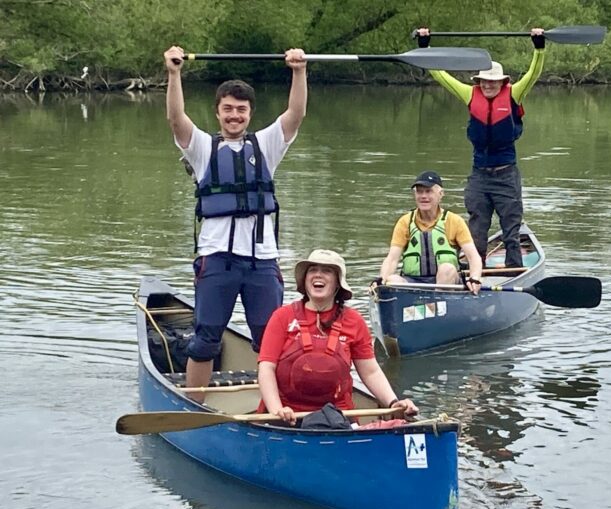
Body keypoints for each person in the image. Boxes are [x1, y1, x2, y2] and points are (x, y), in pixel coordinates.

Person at [163, 45, 307, 402]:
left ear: (249, 114)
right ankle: (194, 404)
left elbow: (295, 114)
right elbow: (176, 118)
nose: (234, 116)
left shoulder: (266, 146)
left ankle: (274, 407)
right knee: (206, 337)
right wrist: (174, 73)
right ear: (218, 112)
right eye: (228, 109)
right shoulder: (201, 149)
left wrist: (299, 71)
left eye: (241, 110)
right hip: (217, 260)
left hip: (261, 261)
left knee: (271, 339)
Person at [415, 27, 546, 268]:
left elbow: (533, 74)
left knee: (511, 229)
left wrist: (539, 47)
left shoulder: (514, 93)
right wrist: (426, 47)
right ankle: (476, 272)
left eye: (493, 82)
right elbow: (440, 75)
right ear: (479, 82)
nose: (487, 85)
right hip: (479, 176)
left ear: (502, 82)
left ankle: (514, 269)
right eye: (484, 81)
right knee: (476, 228)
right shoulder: (469, 94)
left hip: (506, 175)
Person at [258, 249, 419, 425]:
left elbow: (370, 372)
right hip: (287, 416)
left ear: (337, 283)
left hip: (338, 418)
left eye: (326, 271)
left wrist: (394, 403)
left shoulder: (354, 321)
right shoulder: (282, 317)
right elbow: (267, 368)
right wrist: (276, 410)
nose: (318, 275)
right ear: (304, 280)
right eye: (312, 270)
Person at [376, 170, 483, 295]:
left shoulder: (454, 221)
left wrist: (475, 278)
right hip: (413, 281)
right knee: (391, 281)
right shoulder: (405, 222)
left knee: (446, 269)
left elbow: (473, 257)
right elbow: (392, 259)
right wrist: (381, 281)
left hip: (446, 282)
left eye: (428, 191)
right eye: (419, 192)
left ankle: (438, 304)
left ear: (441, 194)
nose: (423, 196)